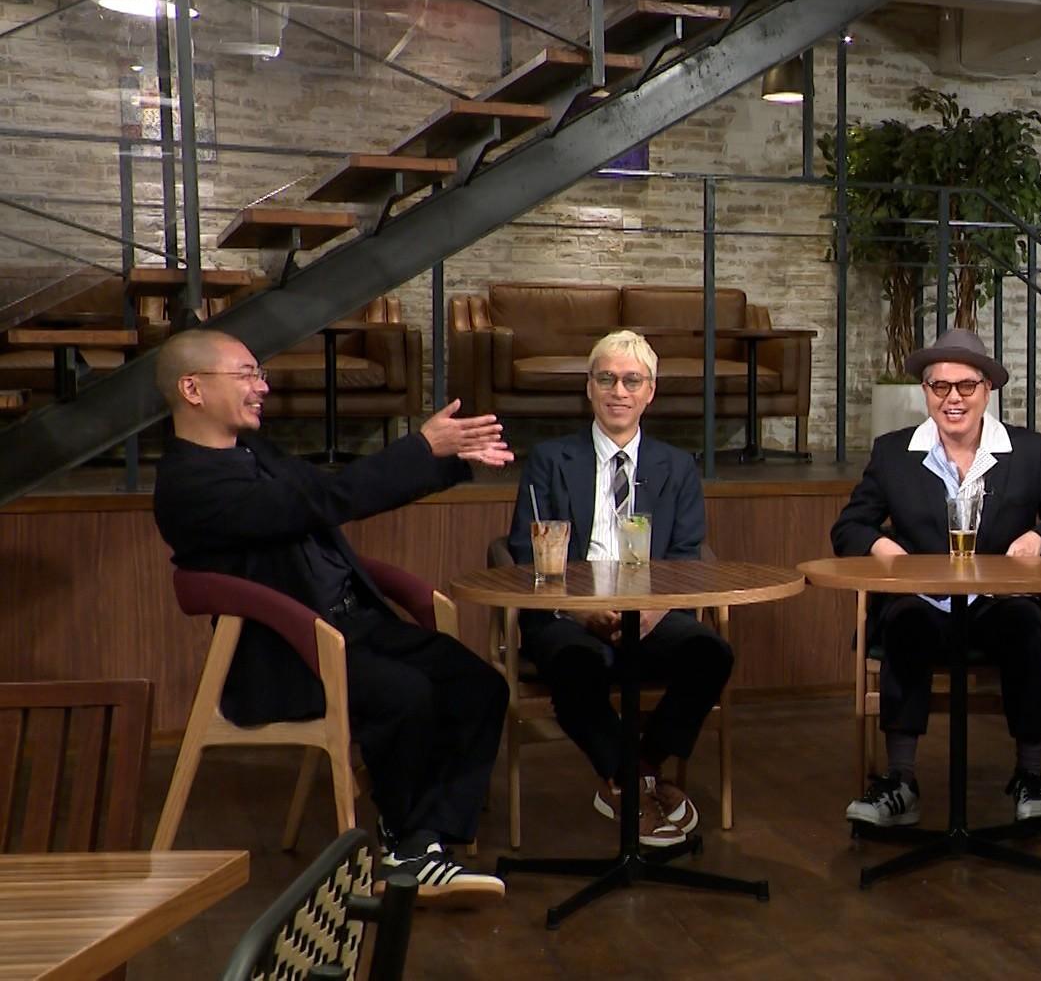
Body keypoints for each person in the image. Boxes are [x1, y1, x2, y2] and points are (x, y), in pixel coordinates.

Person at [151, 328, 512, 906]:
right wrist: (421, 448)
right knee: (407, 694)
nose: (262, 387)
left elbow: (327, 492)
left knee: (479, 686)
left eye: (259, 374)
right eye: (246, 374)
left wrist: (445, 460)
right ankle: (413, 850)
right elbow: (322, 502)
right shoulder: (187, 484)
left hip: (352, 625)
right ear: (192, 389)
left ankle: (422, 839)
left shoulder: (255, 450)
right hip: (288, 649)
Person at [831, 329, 1041, 828]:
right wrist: (883, 547)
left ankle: (1030, 776)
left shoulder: (1028, 451)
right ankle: (901, 782)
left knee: (1028, 624)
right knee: (904, 620)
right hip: (924, 604)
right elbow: (849, 527)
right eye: (940, 386)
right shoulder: (893, 453)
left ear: (986, 390)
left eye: (966, 386)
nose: (953, 398)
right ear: (926, 392)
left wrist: (1039, 538)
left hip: (999, 604)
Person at [506, 330, 732, 848]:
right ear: (589, 387)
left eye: (632, 380)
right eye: (606, 378)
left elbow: (686, 555)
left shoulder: (677, 466)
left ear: (650, 391)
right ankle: (633, 786)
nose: (618, 391)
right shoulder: (550, 460)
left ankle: (637, 772)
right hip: (567, 614)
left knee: (711, 653)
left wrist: (651, 613)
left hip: (650, 611)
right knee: (576, 664)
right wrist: (582, 612)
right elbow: (525, 549)